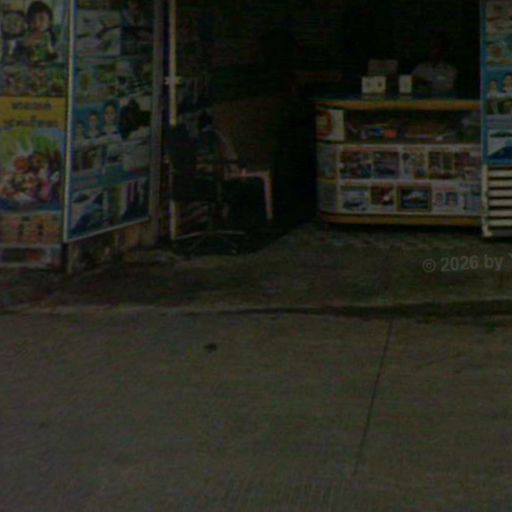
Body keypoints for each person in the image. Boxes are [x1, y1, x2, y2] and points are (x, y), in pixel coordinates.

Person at [412, 32, 457, 96]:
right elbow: (411, 87)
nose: (432, 50)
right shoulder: (420, 68)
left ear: (443, 49)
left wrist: (425, 83)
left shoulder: (450, 70)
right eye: (431, 47)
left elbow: (446, 88)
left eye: (436, 46)